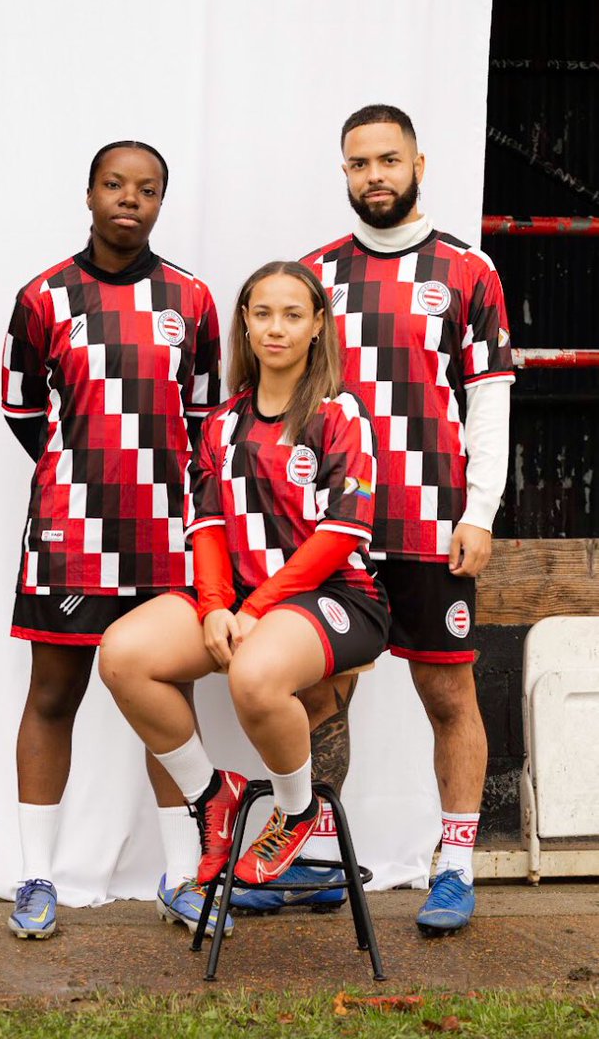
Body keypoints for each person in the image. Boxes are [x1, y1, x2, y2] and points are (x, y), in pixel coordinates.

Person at [237, 104, 515, 935]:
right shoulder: (316, 274)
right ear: (344, 172)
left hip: (430, 521)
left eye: (388, 160)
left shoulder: (467, 271)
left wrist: (480, 510)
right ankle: (319, 858)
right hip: (334, 527)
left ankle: (453, 867)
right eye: (359, 163)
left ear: (418, 164)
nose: (374, 176)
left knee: (446, 689)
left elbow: (488, 398)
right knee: (321, 688)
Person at [99, 261, 389, 898]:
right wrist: (213, 607)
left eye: (292, 314)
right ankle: (211, 794)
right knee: (122, 655)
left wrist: (255, 609)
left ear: (318, 326)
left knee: (253, 675)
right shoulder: (221, 423)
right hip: (239, 597)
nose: (276, 328)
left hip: (337, 596)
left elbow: (341, 534)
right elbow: (207, 526)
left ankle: (295, 811)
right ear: (246, 325)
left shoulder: (341, 413)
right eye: (263, 314)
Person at [1, 140, 221, 939]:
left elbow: (204, 419)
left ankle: (183, 877)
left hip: (165, 533)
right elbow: (22, 411)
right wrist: (84, 472)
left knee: (168, 698)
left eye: (147, 188)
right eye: (115, 184)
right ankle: (35, 876)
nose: (130, 198)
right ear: (90, 194)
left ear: (161, 201)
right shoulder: (43, 297)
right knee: (53, 695)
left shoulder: (190, 299)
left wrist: (152, 481)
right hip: (71, 533)